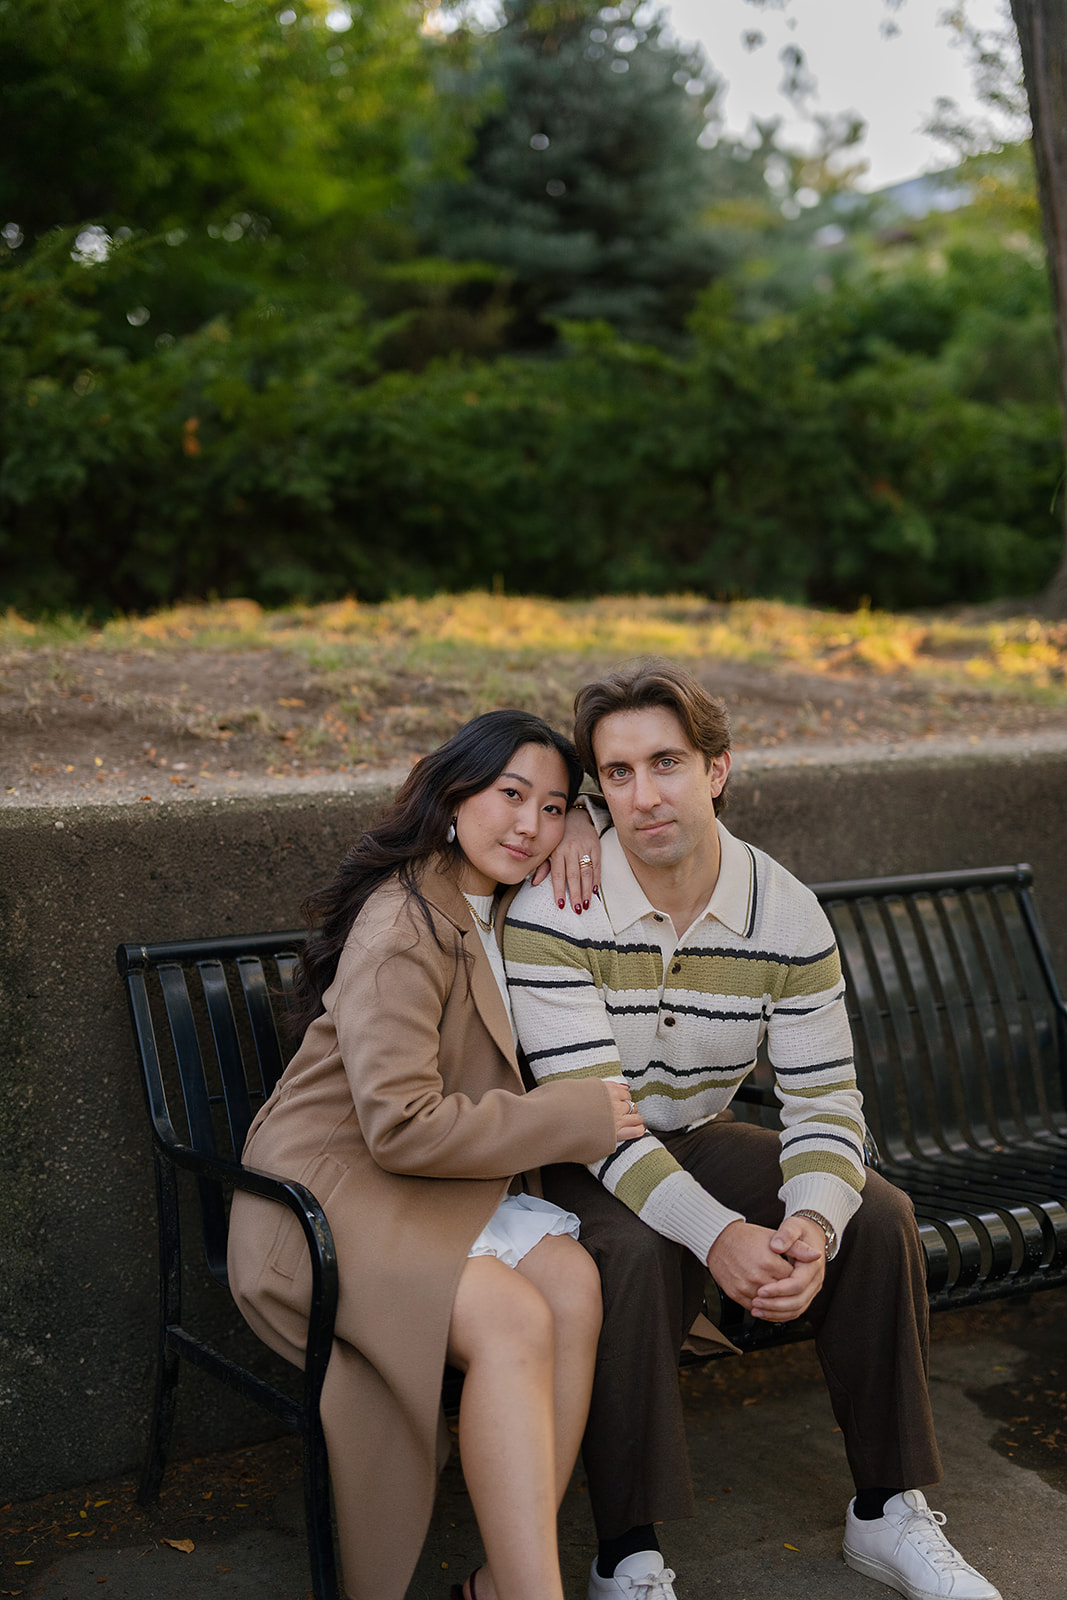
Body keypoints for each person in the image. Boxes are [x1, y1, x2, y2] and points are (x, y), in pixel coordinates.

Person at [504, 659, 1002, 1600]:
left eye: (666, 763)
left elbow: (826, 1103)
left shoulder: (787, 916)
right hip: (566, 1152)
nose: (644, 796)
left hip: (693, 1133)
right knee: (629, 1252)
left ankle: (885, 1511)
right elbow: (596, 1123)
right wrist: (719, 1235)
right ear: (597, 789)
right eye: (617, 774)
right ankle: (627, 1555)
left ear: (717, 768)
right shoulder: (554, 907)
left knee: (876, 1217)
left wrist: (809, 1223)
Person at [227, 709, 645, 1600]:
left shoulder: (499, 898)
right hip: (329, 1196)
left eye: (550, 806)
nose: (528, 825)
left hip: (426, 1187)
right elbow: (400, 1127)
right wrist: (572, 1116)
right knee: (513, 1320)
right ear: (452, 795)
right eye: (508, 796)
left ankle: (500, 1583)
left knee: (573, 1286)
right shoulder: (403, 922)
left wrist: (584, 821)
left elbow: (651, 803)